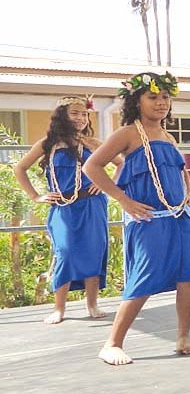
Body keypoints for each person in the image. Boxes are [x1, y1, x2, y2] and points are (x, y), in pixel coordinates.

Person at [84, 72, 190, 364]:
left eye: (165, 97)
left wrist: (188, 193)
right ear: (136, 101)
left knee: (189, 277)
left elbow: (179, 170)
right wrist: (123, 200)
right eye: (153, 97)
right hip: (148, 219)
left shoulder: (168, 136)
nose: (161, 103)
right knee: (144, 278)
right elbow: (92, 166)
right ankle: (112, 343)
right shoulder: (127, 134)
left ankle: (183, 335)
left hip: (178, 217)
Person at [14, 95, 118, 324]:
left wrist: (104, 185)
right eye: (75, 113)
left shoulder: (93, 142)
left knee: (94, 250)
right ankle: (59, 308)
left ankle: (92, 304)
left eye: (84, 114)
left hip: (92, 205)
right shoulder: (47, 144)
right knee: (65, 252)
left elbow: (121, 163)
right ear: (62, 116)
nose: (81, 118)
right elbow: (20, 169)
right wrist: (36, 196)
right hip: (63, 206)